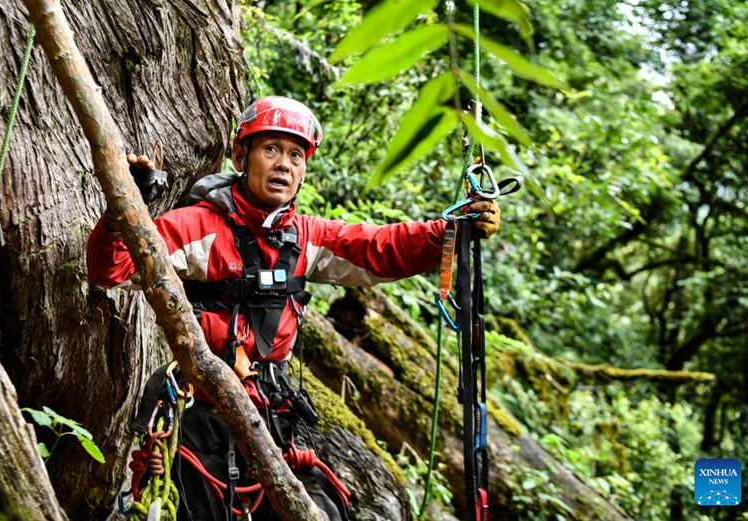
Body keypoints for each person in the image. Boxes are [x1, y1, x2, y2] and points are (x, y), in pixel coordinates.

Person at [87, 96, 500, 520]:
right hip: (199, 409)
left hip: (272, 406)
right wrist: (123, 212)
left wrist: (451, 232)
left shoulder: (306, 237)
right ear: (240, 156)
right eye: (271, 150)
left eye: (295, 155)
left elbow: (379, 248)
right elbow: (113, 269)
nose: (284, 164)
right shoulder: (196, 227)